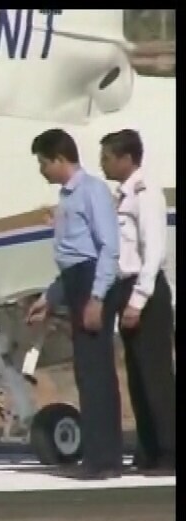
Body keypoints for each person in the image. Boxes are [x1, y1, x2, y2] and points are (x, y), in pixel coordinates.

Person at [26, 129, 123, 480]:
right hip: (74, 280)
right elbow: (69, 257)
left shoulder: (92, 191)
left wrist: (97, 297)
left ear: (59, 159)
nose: (41, 170)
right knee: (86, 371)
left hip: (92, 280)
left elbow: (107, 248)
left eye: (43, 162)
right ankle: (100, 456)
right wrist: (51, 298)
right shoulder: (67, 198)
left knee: (96, 372)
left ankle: (105, 458)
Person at [99, 129, 175, 475]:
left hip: (147, 292)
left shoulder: (146, 195)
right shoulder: (122, 196)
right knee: (137, 376)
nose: (104, 163)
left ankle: (169, 451)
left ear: (127, 159)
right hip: (128, 288)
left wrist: (139, 300)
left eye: (108, 157)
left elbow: (154, 250)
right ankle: (148, 450)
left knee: (156, 376)